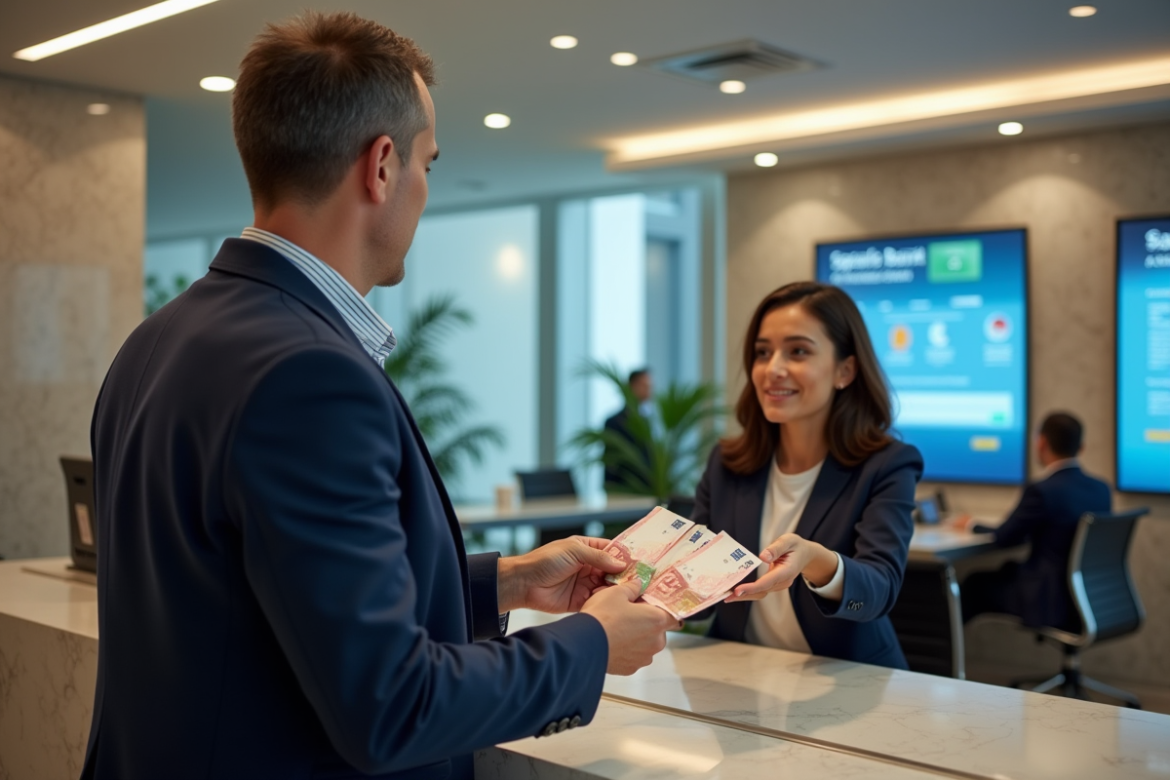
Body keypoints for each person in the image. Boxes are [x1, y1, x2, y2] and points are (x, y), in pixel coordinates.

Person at [81, 13, 676, 780]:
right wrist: (591, 646)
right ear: (383, 165)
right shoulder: (309, 374)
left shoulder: (156, 340)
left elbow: (247, 591)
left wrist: (505, 583)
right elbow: (391, 706)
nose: (426, 189)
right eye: (429, 162)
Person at [691, 282, 923, 669]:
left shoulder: (888, 464)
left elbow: (879, 588)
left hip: (852, 679)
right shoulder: (726, 463)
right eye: (763, 353)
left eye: (798, 351)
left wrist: (816, 560)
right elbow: (697, 589)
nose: (773, 369)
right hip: (738, 675)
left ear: (845, 370)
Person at [959, 412, 1111, 630]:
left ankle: (939, 660)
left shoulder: (1043, 491)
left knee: (974, 584)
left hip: (1046, 597)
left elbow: (1004, 538)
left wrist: (970, 525)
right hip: (1088, 594)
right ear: (1081, 447)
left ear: (1041, 442)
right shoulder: (1101, 489)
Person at [603, 368, 654, 491]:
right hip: (624, 487)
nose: (649, 391)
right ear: (632, 387)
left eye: (650, 386)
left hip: (648, 487)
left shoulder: (648, 421)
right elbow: (610, 461)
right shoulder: (614, 422)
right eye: (644, 386)